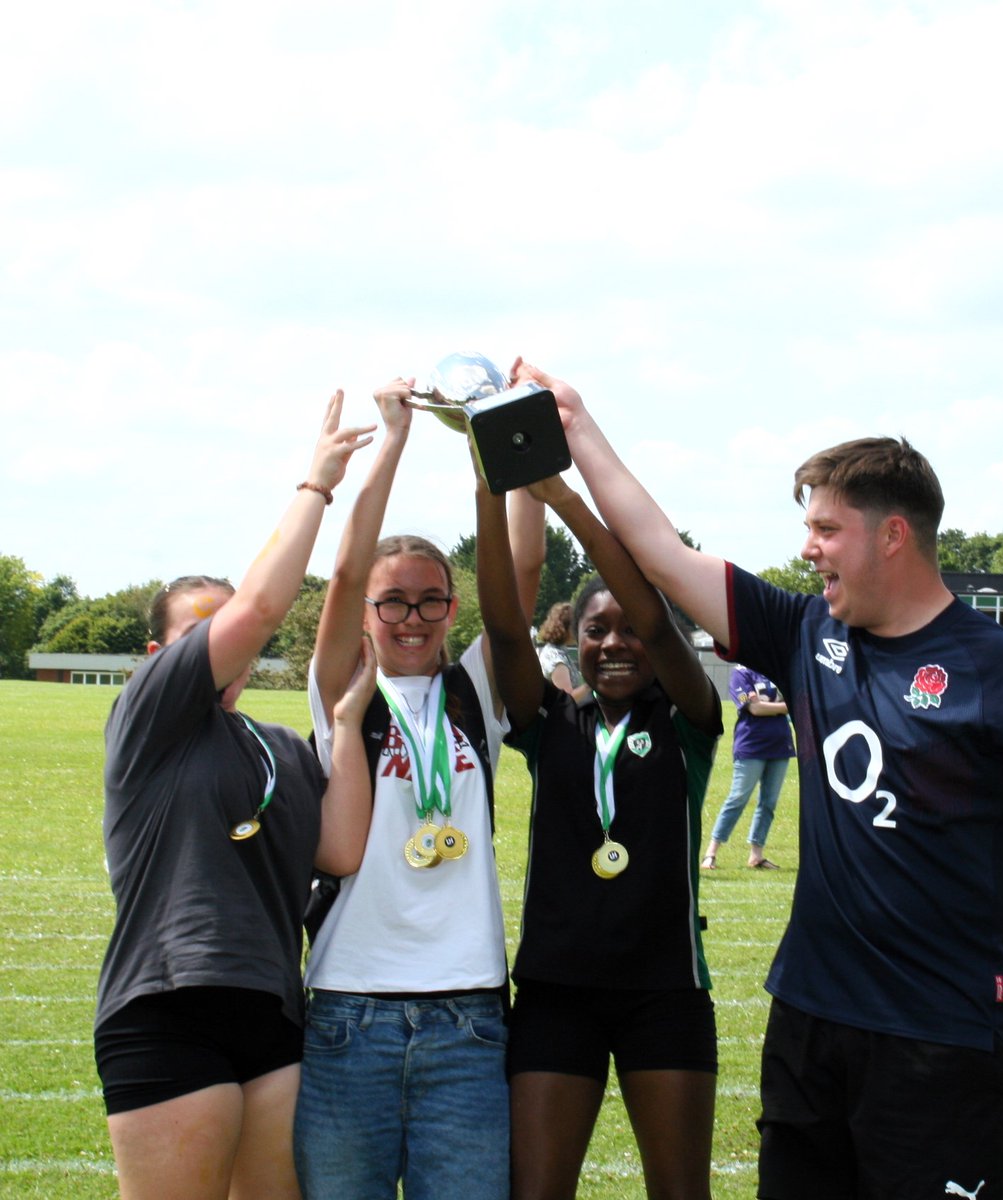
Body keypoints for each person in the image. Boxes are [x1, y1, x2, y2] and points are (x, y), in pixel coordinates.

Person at [508, 359, 1003, 1200]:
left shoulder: (996, 666)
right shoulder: (803, 634)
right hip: (811, 1021)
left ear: (891, 535)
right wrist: (576, 424)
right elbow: (656, 550)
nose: (808, 548)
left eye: (826, 529)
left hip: (943, 1033)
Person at [93, 392, 376, 1200]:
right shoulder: (149, 715)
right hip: (166, 1002)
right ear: (159, 654)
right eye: (197, 635)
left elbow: (341, 850)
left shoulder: (278, 743)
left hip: (270, 1010)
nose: (222, 647)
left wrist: (348, 724)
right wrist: (316, 485)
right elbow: (256, 611)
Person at [293, 377, 545, 1200]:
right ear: (366, 610)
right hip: (347, 1013)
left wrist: (500, 445)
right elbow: (337, 574)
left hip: (468, 1018)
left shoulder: (479, 691)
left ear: (452, 605)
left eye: (431, 600)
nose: (412, 617)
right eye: (392, 600)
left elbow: (525, 570)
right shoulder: (341, 689)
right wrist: (393, 438)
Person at [474, 463, 724, 1200]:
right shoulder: (549, 721)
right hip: (557, 992)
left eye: (629, 631)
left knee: (681, 1192)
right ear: (572, 639)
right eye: (595, 630)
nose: (616, 644)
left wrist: (564, 500)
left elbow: (653, 615)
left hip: (666, 989)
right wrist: (492, 482)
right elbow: (500, 630)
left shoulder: (687, 721)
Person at [701, 665, 795, 870]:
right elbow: (754, 708)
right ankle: (711, 852)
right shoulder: (741, 674)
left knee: (769, 802)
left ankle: (756, 855)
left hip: (780, 744)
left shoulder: (775, 670)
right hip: (752, 745)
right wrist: (783, 707)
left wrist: (769, 705)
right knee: (738, 798)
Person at [536, 599, 582, 692]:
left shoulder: (560, 651)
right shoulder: (555, 657)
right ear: (564, 628)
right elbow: (567, 698)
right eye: (575, 626)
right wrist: (591, 684)